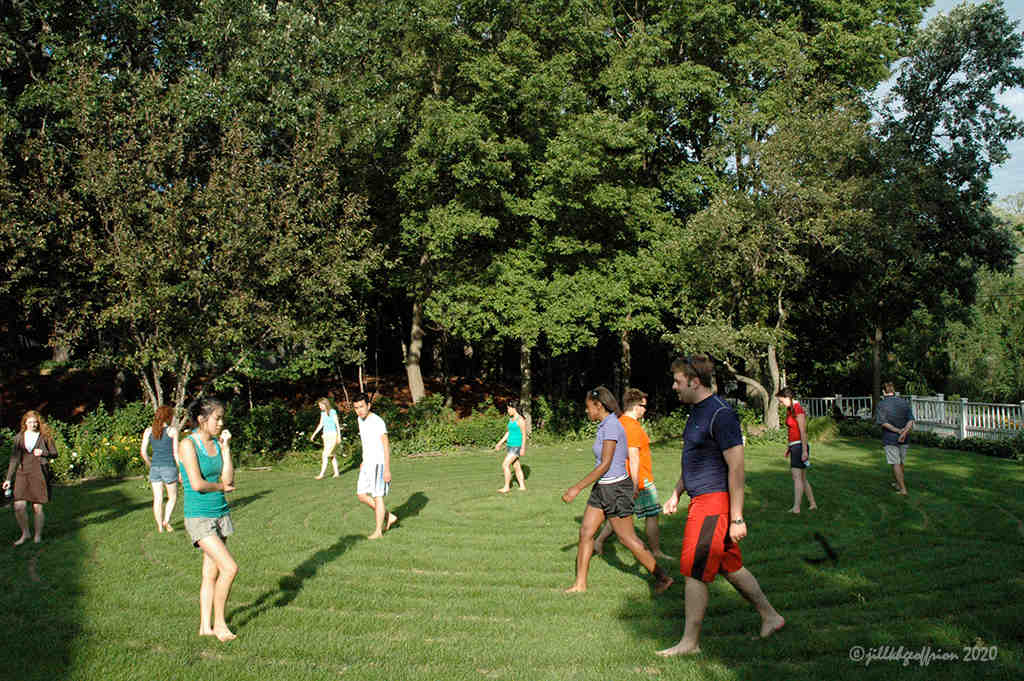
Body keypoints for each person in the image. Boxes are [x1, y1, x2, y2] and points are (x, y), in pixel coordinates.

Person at [658, 356, 784, 657]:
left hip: (713, 504)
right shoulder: (695, 413)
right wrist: (677, 492)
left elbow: (737, 467)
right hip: (700, 499)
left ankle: (689, 642)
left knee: (694, 570)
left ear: (694, 381)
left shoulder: (721, 414)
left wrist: (737, 517)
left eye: (677, 381)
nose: (674, 386)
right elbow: (693, 460)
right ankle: (771, 616)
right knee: (731, 566)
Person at [561, 386, 673, 594]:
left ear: (598, 405)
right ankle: (580, 584)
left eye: (588, 407)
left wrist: (576, 488)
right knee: (586, 532)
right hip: (602, 487)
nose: (586, 411)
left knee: (627, 538)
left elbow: (605, 464)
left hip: (616, 489)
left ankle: (663, 577)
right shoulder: (604, 425)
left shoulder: (612, 426)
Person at [178, 398, 238, 642]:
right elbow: (196, 484)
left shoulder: (215, 442)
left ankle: (205, 626)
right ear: (202, 420)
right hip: (199, 517)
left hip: (220, 513)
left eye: (222, 418)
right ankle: (220, 623)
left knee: (210, 573)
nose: (221, 423)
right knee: (229, 568)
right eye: (217, 418)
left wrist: (226, 449)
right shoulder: (187, 445)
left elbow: (229, 478)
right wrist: (221, 486)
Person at [594, 388, 670, 560]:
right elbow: (633, 457)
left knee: (621, 515)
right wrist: (636, 484)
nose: (645, 410)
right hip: (639, 479)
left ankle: (598, 541)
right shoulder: (632, 427)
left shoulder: (618, 422)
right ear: (636, 406)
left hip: (622, 478)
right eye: (644, 406)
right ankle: (656, 551)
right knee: (651, 515)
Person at [3, 411, 57, 545]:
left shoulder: (45, 437)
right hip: (22, 474)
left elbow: (55, 453)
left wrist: (43, 453)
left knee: (37, 507)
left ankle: (37, 536)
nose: (33, 424)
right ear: (25, 423)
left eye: (35, 422)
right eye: (30, 422)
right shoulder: (19, 438)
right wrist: (8, 479)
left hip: (38, 473)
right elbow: (14, 460)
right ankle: (25, 533)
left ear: (38, 423)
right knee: (19, 506)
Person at [353, 393, 397, 539]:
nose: (359, 410)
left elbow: (385, 445)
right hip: (367, 464)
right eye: (356, 407)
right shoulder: (360, 420)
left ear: (369, 406)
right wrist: (363, 460)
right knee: (361, 495)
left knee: (378, 496)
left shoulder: (377, 422)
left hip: (379, 464)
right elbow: (367, 442)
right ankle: (389, 516)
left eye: (361, 406)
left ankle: (378, 531)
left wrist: (387, 469)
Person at [775, 388, 817, 514]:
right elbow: (793, 432)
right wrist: (789, 448)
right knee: (802, 478)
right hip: (795, 446)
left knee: (797, 477)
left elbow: (803, 431)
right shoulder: (790, 409)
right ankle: (813, 504)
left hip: (800, 446)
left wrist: (804, 451)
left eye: (782, 401)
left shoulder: (798, 409)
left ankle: (796, 508)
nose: (781, 404)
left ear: (788, 397)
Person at [140, 405, 180, 532]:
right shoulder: (172, 431)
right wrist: (181, 469)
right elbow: (175, 453)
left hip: (155, 468)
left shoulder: (148, 431)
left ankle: (159, 527)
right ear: (168, 417)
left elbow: (143, 452)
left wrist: (149, 463)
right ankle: (166, 521)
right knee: (172, 497)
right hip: (169, 467)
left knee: (157, 498)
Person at [875, 382, 914, 496]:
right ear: (894, 390)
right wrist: (904, 432)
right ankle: (898, 483)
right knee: (901, 462)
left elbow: (883, 422)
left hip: (890, 438)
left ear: (883, 392)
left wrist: (898, 431)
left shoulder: (881, 404)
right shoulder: (904, 402)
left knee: (895, 463)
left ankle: (903, 489)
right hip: (904, 438)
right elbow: (911, 420)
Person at [494, 400, 527, 493]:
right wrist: (500, 443)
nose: (508, 410)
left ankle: (506, 487)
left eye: (509, 408)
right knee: (516, 466)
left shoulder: (520, 420)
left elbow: (524, 435)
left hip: (516, 446)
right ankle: (522, 486)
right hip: (510, 445)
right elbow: (508, 432)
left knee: (505, 465)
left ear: (514, 409)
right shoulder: (511, 419)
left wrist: (523, 448)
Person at [311, 397, 342, 479]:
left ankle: (321, 474)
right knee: (332, 455)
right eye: (319, 406)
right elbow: (321, 424)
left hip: (333, 435)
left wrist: (339, 436)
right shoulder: (323, 413)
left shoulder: (333, 412)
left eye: (321, 405)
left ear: (325, 404)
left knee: (325, 455)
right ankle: (336, 473)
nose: (320, 407)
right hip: (325, 436)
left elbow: (337, 424)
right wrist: (314, 434)